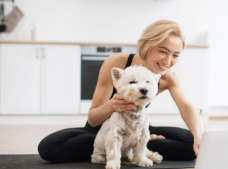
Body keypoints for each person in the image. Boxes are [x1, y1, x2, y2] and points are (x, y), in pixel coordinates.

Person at [38, 20, 204, 163]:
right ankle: (113, 148)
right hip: (100, 130)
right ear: (147, 45)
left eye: (175, 55)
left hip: (138, 128)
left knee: (192, 143)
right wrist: (111, 106)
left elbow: (186, 106)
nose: (168, 61)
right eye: (163, 51)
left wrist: (199, 135)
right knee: (49, 147)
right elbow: (93, 119)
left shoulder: (169, 77)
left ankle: (138, 145)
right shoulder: (116, 62)